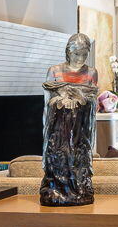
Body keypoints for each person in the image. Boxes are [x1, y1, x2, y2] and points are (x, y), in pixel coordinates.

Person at [41, 32, 99, 205]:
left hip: (80, 128)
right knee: (58, 157)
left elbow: (92, 98)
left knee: (79, 158)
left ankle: (80, 189)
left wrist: (81, 99)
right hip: (59, 128)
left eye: (84, 54)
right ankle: (56, 190)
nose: (80, 58)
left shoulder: (91, 72)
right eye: (76, 54)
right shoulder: (55, 71)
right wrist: (61, 100)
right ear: (68, 51)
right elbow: (48, 100)